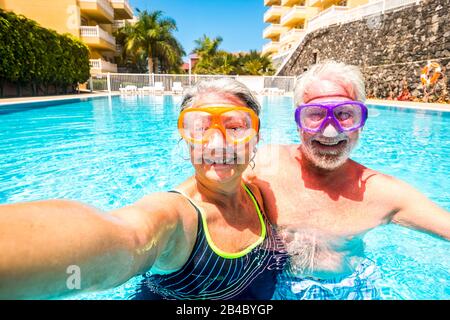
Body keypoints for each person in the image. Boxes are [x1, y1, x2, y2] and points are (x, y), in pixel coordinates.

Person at [0, 78, 287, 300]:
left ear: (256, 136)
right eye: (199, 129)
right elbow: (131, 234)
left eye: (235, 127)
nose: (217, 144)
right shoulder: (178, 216)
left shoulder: (259, 193)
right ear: (185, 140)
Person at [245, 61, 450, 300]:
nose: (330, 131)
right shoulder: (264, 165)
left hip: (350, 289)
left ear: (361, 120)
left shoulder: (383, 191)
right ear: (297, 120)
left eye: (344, 114)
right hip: (277, 287)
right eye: (315, 114)